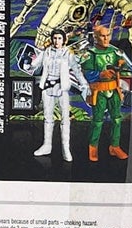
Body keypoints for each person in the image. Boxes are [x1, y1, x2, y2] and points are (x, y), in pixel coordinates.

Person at [80, 17, 132, 162]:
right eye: (102, 36)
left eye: (108, 35)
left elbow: (128, 66)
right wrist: (100, 74)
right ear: (96, 37)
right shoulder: (90, 54)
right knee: (97, 121)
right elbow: (86, 73)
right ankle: (93, 148)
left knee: (117, 120)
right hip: (99, 92)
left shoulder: (115, 51)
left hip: (114, 90)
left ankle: (114, 146)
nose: (106, 38)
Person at [30, 30, 89, 163]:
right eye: (55, 38)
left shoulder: (68, 53)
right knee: (48, 118)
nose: (57, 41)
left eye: (59, 38)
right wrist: (34, 58)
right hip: (47, 87)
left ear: (64, 40)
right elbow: (34, 64)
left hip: (62, 88)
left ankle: (65, 148)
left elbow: (76, 70)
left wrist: (84, 84)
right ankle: (47, 146)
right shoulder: (46, 52)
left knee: (65, 119)